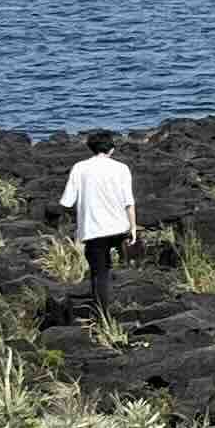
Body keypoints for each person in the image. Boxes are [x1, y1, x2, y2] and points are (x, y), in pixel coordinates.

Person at [58, 130, 138, 315]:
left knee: (98, 272)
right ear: (111, 149)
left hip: (93, 230)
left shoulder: (79, 168)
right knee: (123, 265)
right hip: (119, 227)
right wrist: (133, 227)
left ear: (91, 148)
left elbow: (67, 202)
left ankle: (102, 314)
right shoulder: (121, 168)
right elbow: (129, 202)